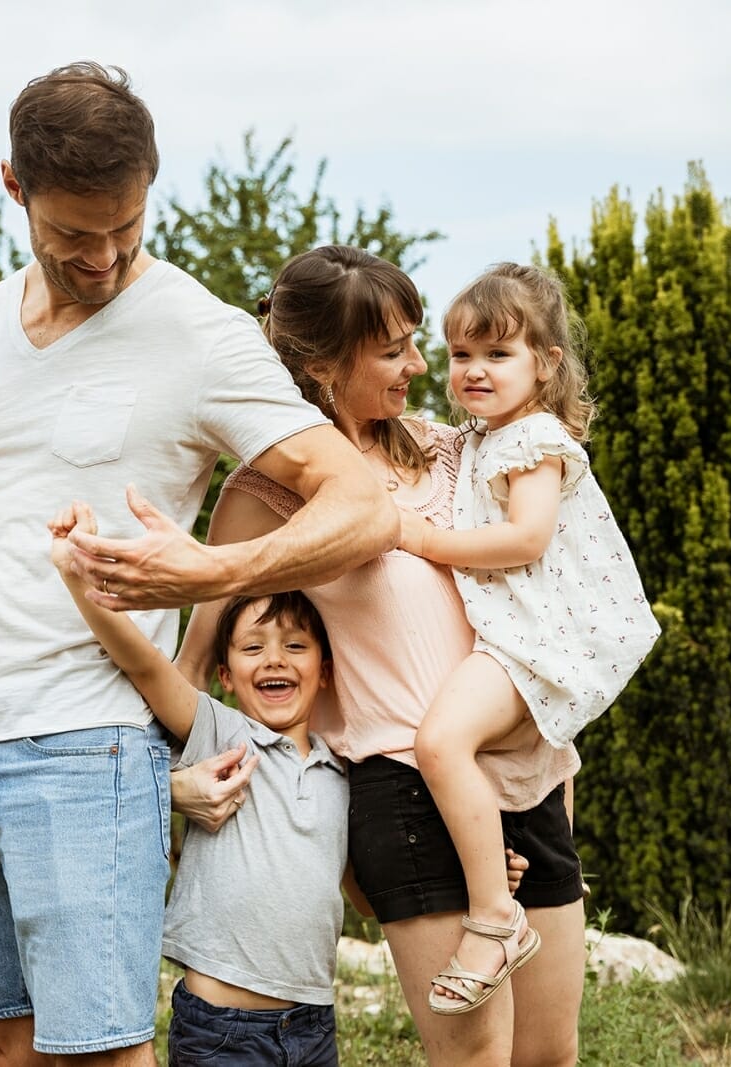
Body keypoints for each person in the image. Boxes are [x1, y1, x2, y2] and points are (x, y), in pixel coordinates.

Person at [0, 66, 395, 1067]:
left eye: (126, 225)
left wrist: (206, 572)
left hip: (86, 746)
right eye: (74, 234)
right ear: (14, 186)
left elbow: (364, 503)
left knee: (99, 1049)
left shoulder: (201, 335)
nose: (105, 254)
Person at [176, 245, 586, 1066]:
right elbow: (195, 668)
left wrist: (556, 766)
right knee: (476, 1061)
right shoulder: (263, 498)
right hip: (404, 790)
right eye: (394, 348)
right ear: (324, 365)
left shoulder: (453, 449)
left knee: (551, 1055)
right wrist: (174, 784)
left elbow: (534, 593)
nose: (420, 364)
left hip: (523, 767)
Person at [402, 263, 660, 1015]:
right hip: (517, 641)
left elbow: (525, 537)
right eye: (460, 355)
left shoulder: (535, 438)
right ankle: (522, 883)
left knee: (442, 742)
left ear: (547, 364)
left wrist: (421, 538)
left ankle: (495, 918)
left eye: (498, 353)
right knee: (501, 763)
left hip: (531, 644)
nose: (473, 371)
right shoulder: (489, 437)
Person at [50, 500, 345, 1067]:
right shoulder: (221, 730)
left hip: (313, 1025)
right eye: (253, 648)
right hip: (222, 1030)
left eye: (295, 646)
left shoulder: (342, 771)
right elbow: (143, 666)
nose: (274, 660)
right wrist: (76, 576)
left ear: (325, 670)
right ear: (227, 677)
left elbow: (368, 890)